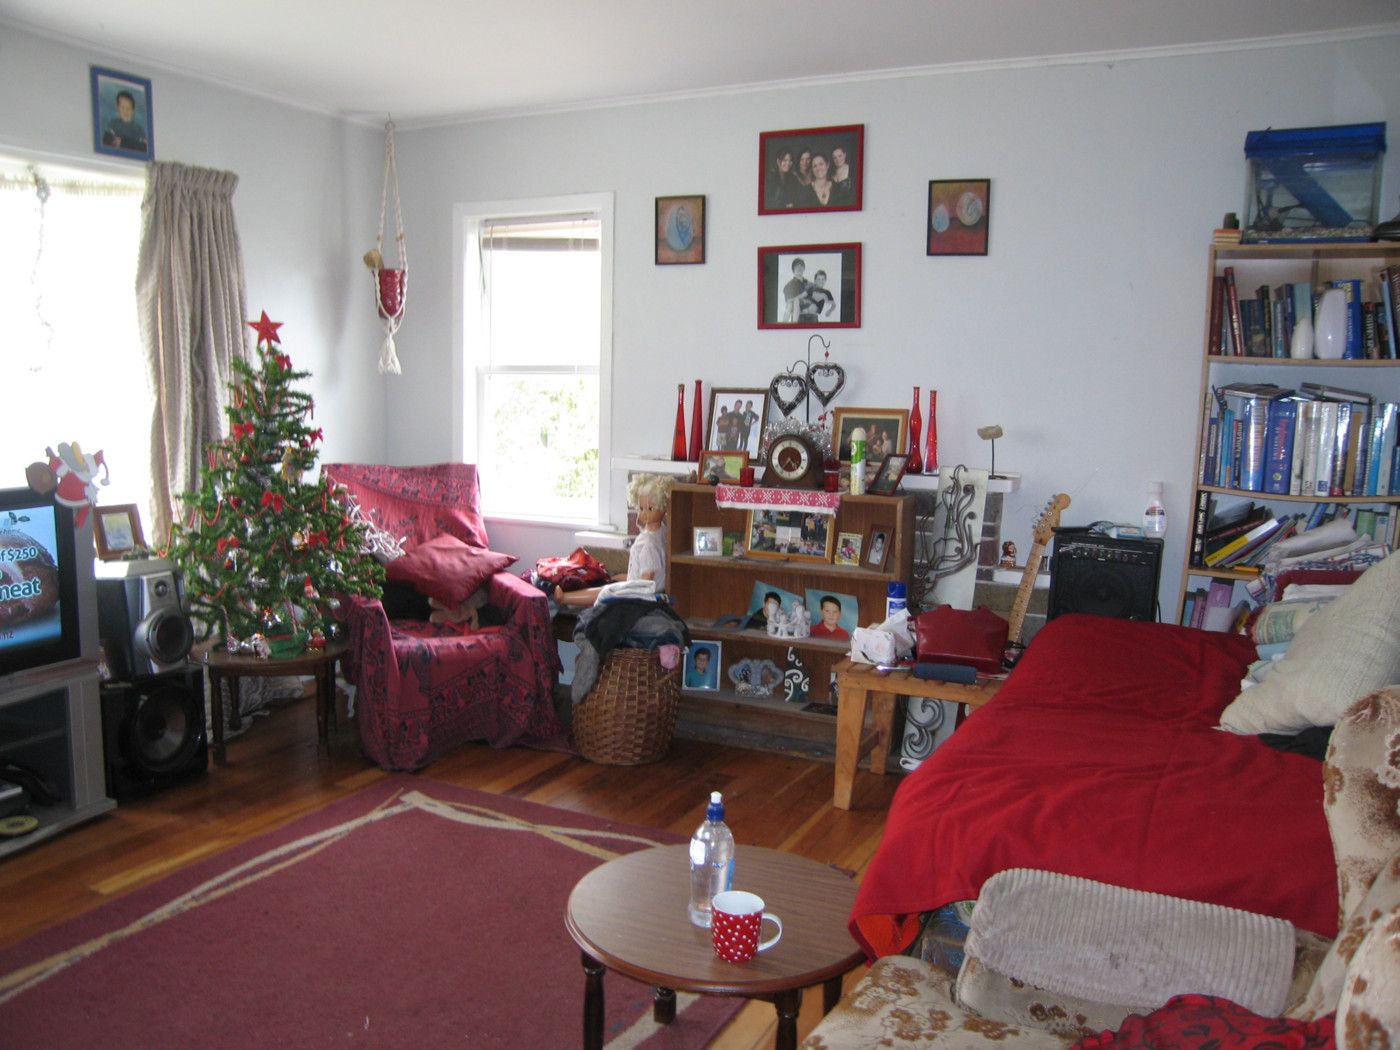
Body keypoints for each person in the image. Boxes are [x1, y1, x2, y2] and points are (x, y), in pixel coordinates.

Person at [556, 473, 672, 605]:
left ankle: (565, 598)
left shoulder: (649, 544)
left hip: (641, 590)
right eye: (641, 508)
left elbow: (646, 579)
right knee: (610, 580)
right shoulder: (661, 532)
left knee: (606, 591)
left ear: (663, 508)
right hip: (639, 581)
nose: (644, 513)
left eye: (650, 509)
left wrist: (628, 590)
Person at [782, 258, 807, 323]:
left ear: (804, 268)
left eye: (801, 266)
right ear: (793, 269)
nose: (799, 268)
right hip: (797, 320)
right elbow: (789, 304)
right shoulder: (788, 286)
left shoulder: (809, 284)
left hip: (811, 318)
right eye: (797, 266)